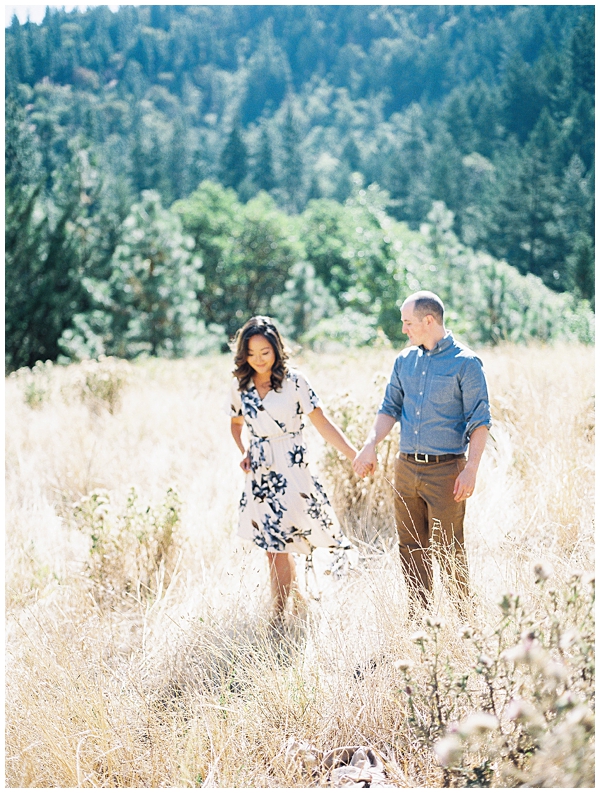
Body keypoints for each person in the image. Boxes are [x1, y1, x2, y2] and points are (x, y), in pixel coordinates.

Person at [353, 291, 491, 616]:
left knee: (449, 549)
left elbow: (480, 420)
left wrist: (471, 468)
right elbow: (390, 407)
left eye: (408, 322)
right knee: (410, 546)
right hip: (406, 469)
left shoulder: (466, 364)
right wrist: (370, 443)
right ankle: (420, 618)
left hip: (447, 471)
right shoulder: (404, 361)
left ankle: (464, 621)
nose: (404, 330)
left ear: (428, 321)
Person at [230, 316, 357, 621]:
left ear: (276, 349)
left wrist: (354, 455)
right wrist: (244, 451)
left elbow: (322, 422)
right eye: (251, 353)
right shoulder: (241, 387)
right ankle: (284, 608)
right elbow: (235, 425)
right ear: (243, 355)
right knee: (273, 547)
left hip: (291, 467)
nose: (259, 360)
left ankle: (281, 611)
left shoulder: (296, 381)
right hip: (260, 472)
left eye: (265, 352)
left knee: (286, 541)